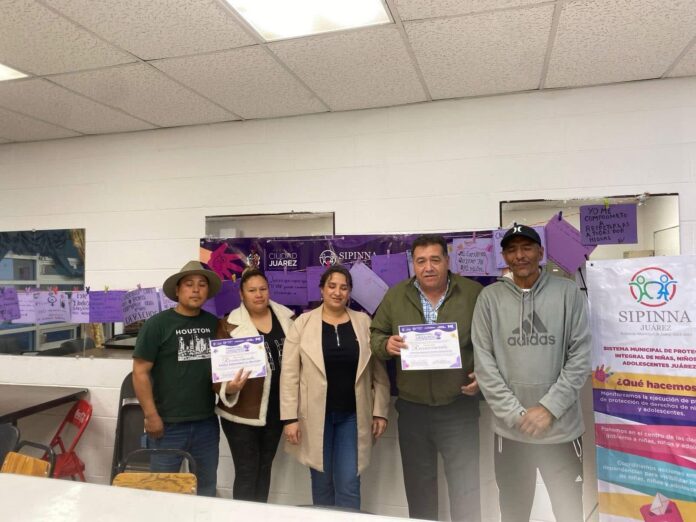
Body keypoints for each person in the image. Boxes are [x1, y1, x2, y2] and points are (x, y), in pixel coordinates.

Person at [472, 224, 591, 522]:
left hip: (561, 432)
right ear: (503, 257)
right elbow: (484, 363)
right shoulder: (489, 299)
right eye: (512, 250)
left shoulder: (568, 293)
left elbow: (580, 357)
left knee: (569, 513)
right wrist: (516, 415)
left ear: (541, 252)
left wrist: (548, 409)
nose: (520, 255)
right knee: (513, 513)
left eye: (526, 248)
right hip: (512, 432)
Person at [370, 234, 483, 522]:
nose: (428, 267)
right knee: (419, 490)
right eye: (421, 261)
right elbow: (376, 334)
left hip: (459, 406)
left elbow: (492, 341)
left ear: (447, 260)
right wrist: (385, 344)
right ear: (413, 265)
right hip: (413, 410)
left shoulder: (473, 293)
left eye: (435, 259)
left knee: (466, 488)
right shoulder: (396, 295)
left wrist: (483, 377)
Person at [280, 265, 390, 510]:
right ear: (322, 289)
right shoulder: (302, 324)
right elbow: (289, 375)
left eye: (344, 287)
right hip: (314, 417)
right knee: (322, 483)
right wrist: (289, 418)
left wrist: (380, 411)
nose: (337, 292)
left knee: (349, 482)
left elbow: (378, 372)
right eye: (332, 286)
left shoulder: (363, 322)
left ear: (349, 292)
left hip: (353, 416)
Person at [132, 260, 222, 497]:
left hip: (206, 423)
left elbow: (223, 368)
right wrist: (151, 415)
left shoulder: (214, 325)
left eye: (202, 285)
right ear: (178, 290)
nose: (196, 290)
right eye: (189, 284)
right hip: (167, 425)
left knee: (206, 488)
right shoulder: (157, 325)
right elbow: (140, 372)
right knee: (163, 492)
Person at [215, 268, 294, 502]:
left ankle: (260, 514)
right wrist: (229, 388)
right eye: (252, 290)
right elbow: (217, 375)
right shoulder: (228, 325)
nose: (258, 295)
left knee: (264, 468)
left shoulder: (288, 319)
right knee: (247, 471)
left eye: (263, 289)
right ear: (242, 294)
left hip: (276, 411)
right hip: (242, 414)